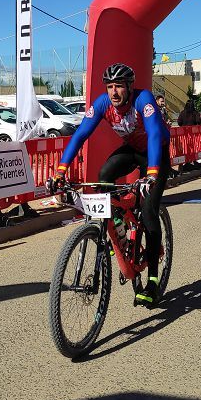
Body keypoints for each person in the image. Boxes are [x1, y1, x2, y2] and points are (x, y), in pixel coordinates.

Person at [51, 64, 170, 308]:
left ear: (128, 86)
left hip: (156, 155)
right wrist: (61, 171)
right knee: (104, 174)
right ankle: (117, 223)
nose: (114, 92)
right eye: (110, 87)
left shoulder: (143, 99)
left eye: (118, 86)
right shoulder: (103, 104)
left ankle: (154, 281)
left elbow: (156, 134)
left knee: (149, 213)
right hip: (133, 151)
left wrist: (152, 175)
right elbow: (80, 134)